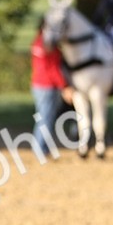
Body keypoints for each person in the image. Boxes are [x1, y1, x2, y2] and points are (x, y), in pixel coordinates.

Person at [30, 22, 68, 156]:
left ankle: (42, 147)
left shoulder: (38, 42)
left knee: (44, 117)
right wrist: (65, 86)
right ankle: (40, 149)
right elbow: (52, 69)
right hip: (46, 86)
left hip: (39, 84)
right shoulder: (47, 45)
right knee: (46, 118)